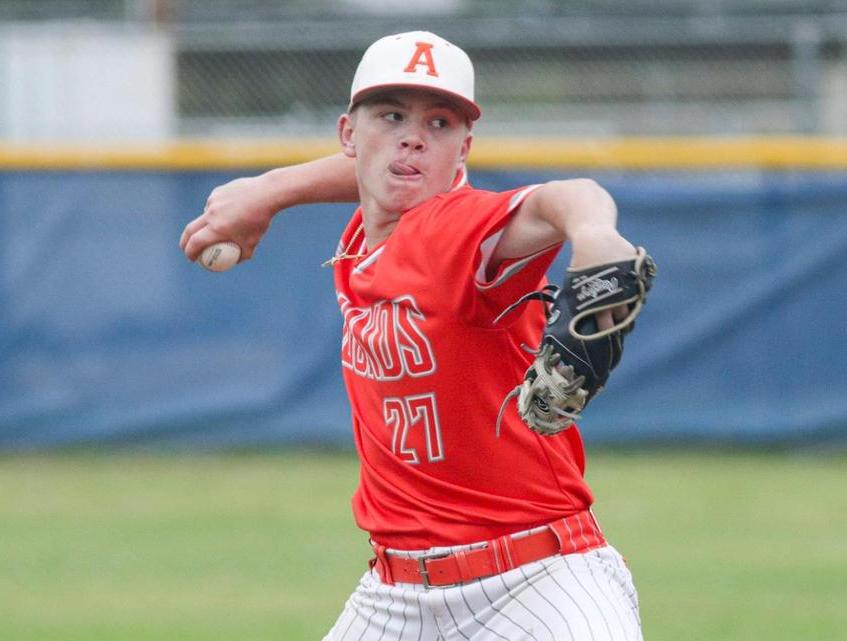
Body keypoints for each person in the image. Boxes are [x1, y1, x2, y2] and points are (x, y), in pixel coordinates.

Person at [181, 31, 646, 641]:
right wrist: (271, 190)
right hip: (393, 597)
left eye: (440, 122)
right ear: (349, 133)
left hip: (538, 583)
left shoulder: (455, 229)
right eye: (391, 114)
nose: (412, 136)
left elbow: (566, 197)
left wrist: (595, 233)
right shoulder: (360, 236)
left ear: (464, 149)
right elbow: (380, 175)